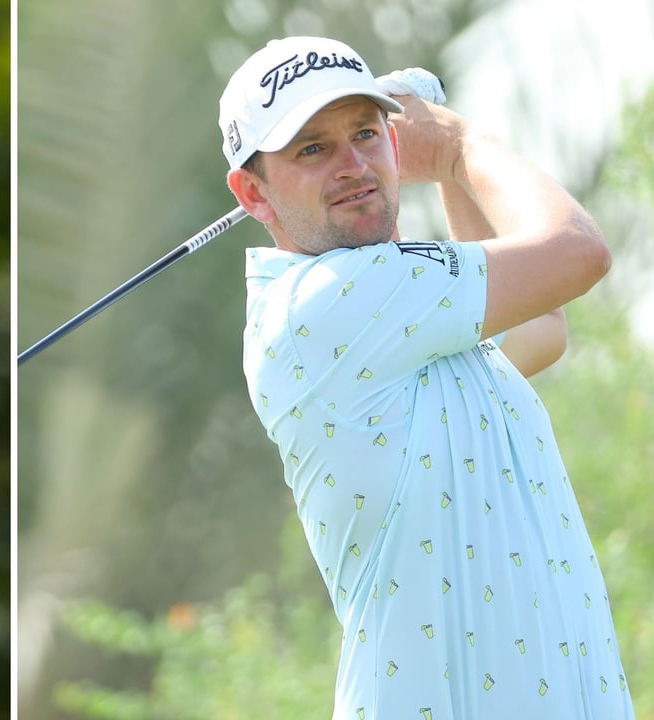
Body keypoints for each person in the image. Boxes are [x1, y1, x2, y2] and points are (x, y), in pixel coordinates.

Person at [221, 36, 632, 718]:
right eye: (312, 149)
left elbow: (539, 329)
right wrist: (462, 144)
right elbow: (576, 252)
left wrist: (445, 171)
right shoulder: (323, 304)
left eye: (366, 132)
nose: (354, 165)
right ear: (252, 192)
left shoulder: (403, 324)